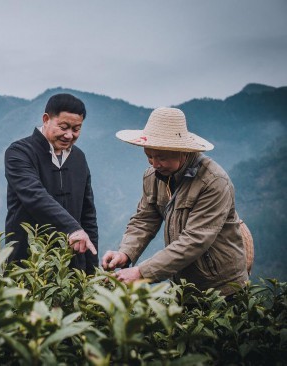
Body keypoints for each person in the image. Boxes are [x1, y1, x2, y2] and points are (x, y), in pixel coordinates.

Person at [102, 107, 248, 296]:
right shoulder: (154, 177)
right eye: (149, 156)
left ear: (182, 152)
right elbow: (144, 220)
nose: (154, 164)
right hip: (183, 285)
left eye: (161, 157)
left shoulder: (213, 182)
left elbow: (195, 240)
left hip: (222, 288)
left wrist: (141, 272)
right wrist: (125, 253)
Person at [5, 93, 99, 274]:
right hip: (28, 264)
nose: (69, 135)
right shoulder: (19, 152)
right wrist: (72, 229)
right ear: (46, 119)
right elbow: (35, 196)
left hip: (71, 268)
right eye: (63, 127)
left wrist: (92, 270)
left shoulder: (78, 157)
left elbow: (88, 214)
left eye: (76, 129)